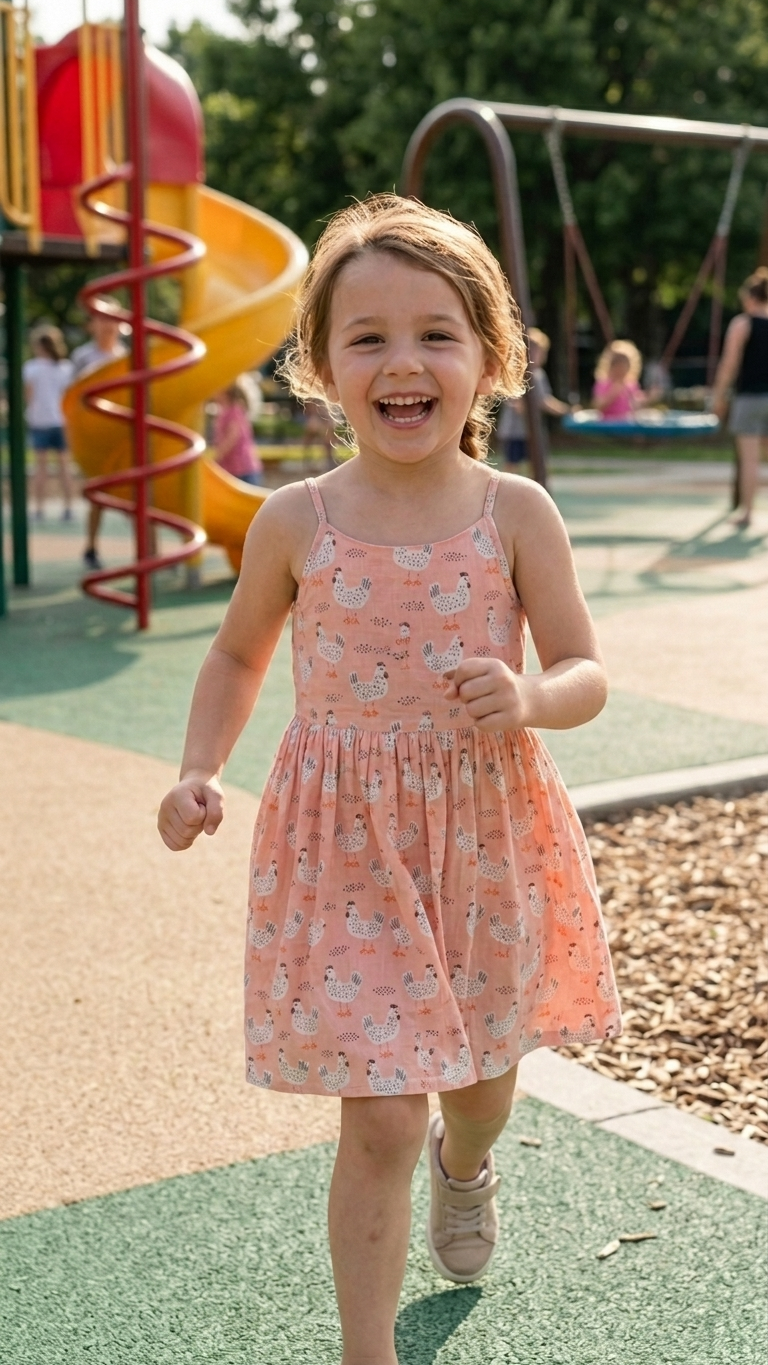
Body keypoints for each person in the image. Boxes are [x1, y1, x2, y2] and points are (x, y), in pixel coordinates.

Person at [157, 195, 621, 1365]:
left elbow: (582, 667)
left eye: (435, 334)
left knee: (478, 1086)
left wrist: (530, 697)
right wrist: (198, 766)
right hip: (348, 846)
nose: (403, 362)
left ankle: (470, 1169)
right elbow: (236, 653)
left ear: (488, 360)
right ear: (318, 365)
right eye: (366, 337)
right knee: (377, 1121)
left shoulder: (516, 513)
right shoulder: (294, 523)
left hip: (485, 835)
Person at [68, 297, 129, 570]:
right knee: (98, 495)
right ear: (91, 324)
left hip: (122, 436)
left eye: (113, 319)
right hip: (96, 437)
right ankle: (91, 547)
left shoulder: (125, 356)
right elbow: (72, 398)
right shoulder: (83, 357)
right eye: (102, 319)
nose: (108, 325)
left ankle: (151, 551)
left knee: (139, 494)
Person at [711, 266, 768, 529]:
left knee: (750, 459)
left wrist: (719, 396)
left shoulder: (743, 324)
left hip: (750, 399)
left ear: (750, 297)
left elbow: (729, 364)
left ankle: (747, 512)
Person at [495, 326, 570, 464]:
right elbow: (539, 403)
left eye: (542, 353)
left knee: (537, 464)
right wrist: (565, 411)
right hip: (515, 431)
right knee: (512, 465)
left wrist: (564, 410)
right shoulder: (517, 374)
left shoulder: (538, 375)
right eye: (537, 352)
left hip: (531, 431)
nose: (540, 356)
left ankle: (535, 485)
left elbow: (544, 400)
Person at [23, 326, 74, 521]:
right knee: (64, 466)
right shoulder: (65, 368)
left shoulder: (31, 368)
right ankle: (68, 508)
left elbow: (28, 395)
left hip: (40, 421)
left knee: (41, 468)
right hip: (61, 421)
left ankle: (39, 509)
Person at [213, 381, 264, 486]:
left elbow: (233, 436)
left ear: (224, 392)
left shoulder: (234, 410)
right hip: (233, 467)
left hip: (242, 467)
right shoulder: (225, 411)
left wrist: (218, 455)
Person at [592, 339, 651, 418]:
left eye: (624, 367)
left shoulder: (631, 385)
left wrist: (648, 398)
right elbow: (598, 406)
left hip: (626, 424)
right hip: (608, 424)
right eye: (616, 366)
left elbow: (636, 405)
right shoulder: (603, 384)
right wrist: (613, 391)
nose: (620, 371)